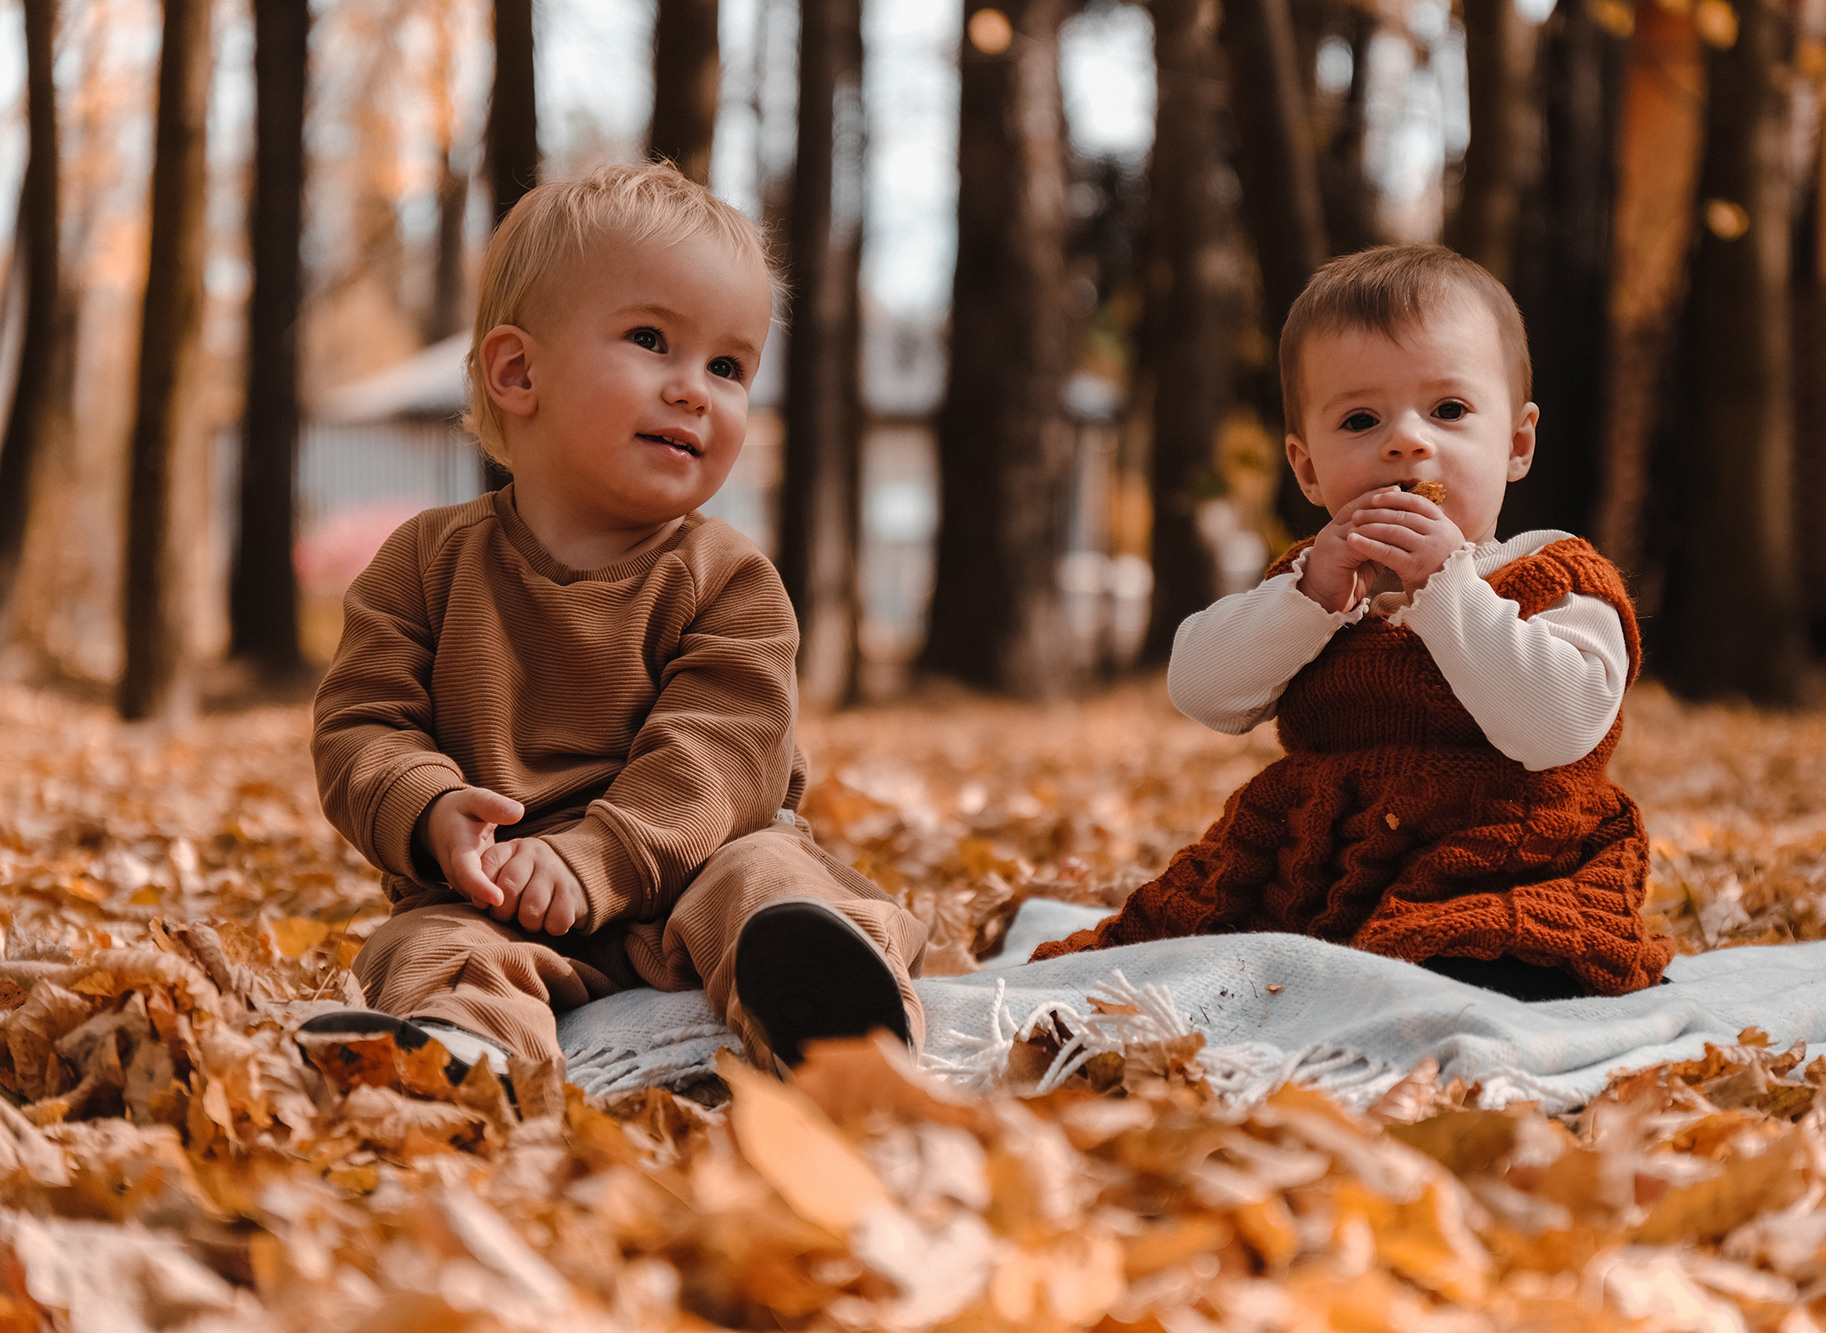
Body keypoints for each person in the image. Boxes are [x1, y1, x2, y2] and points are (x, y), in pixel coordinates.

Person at [303, 161, 928, 1083]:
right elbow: (361, 725)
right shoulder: (425, 565)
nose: (695, 391)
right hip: (500, 896)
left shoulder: (729, 580)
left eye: (728, 366)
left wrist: (599, 855)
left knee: (774, 884)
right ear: (518, 370)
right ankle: (464, 1050)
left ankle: (838, 1018)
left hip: (695, 876)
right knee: (424, 947)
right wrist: (433, 811)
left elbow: (720, 757)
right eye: (651, 340)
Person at [1032, 244, 1674, 1000]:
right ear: (1307, 470)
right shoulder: (1317, 582)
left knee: (1490, 962)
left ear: (1517, 444)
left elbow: (1558, 726)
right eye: (1361, 419)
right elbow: (1201, 688)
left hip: (1504, 855)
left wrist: (1446, 585)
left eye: (1449, 411)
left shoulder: (1551, 574)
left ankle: (1413, 989)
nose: (1405, 441)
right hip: (1310, 859)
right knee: (1164, 958)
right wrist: (1308, 599)